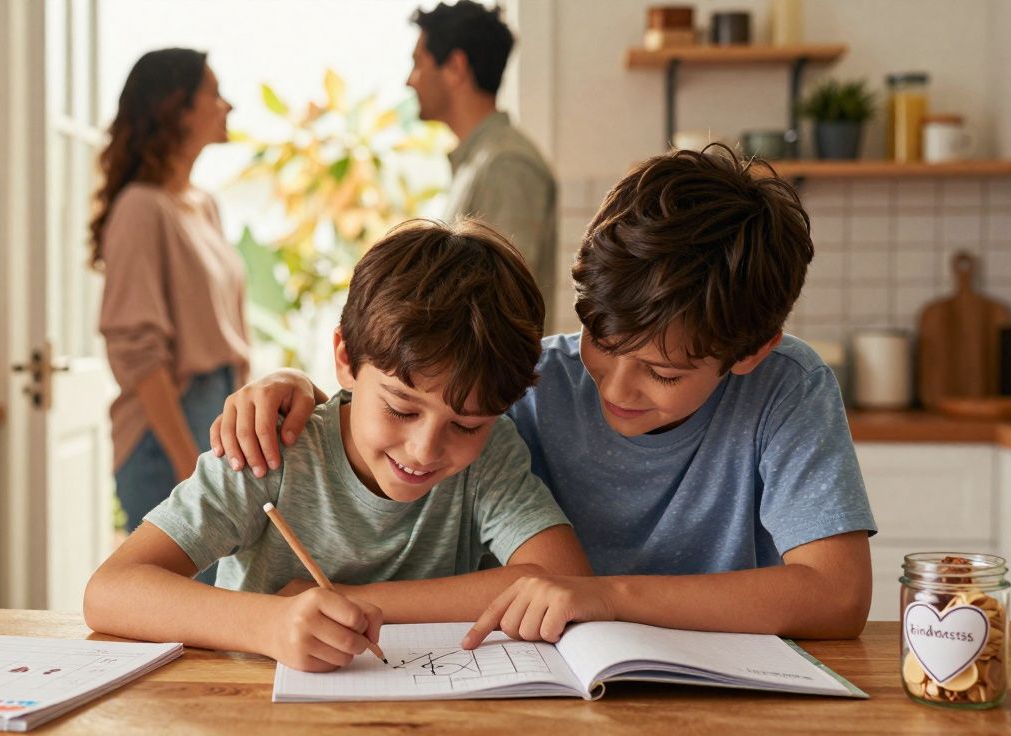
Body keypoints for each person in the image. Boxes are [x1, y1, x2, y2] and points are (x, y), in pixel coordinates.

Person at [208, 147, 879, 647]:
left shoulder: (787, 387)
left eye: (663, 374)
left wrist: (601, 596)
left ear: (751, 350)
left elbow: (837, 594)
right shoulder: (536, 379)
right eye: (599, 340)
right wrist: (298, 387)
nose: (615, 386)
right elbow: (409, 400)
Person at [84, 219, 592, 672]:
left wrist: (355, 600)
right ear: (346, 359)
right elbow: (110, 592)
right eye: (401, 409)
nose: (424, 449)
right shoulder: (271, 446)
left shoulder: (491, 453)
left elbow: (563, 580)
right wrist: (269, 624)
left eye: (466, 425)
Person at [90, 48, 251, 571]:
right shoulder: (140, 208)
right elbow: (141, 356)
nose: (227, 105)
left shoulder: (203, 205)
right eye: (213, 93)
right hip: (167, 435)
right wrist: (189, 463)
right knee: (190, 607)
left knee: (225, 594)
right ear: (177, 109)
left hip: (214, 418)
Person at [408, 1, 558, 325]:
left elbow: (500, 307)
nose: (410, 80)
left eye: (418, 64)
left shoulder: (507, 164)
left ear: (456, 67)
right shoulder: (480, 162)